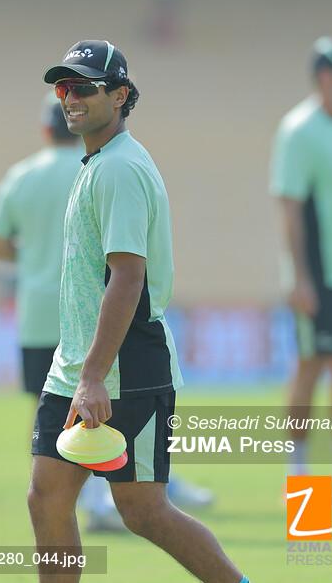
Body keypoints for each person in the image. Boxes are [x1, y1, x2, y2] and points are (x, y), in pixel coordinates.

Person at [29, 39, 249, 583]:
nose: (71, 98)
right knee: (47, 498)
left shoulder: (120, 169)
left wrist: (94, 377)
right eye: (64, 88)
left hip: (124, 368)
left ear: (120, 95)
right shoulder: (100, 162)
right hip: (79, 366)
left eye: (84, 87)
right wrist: (82, 372)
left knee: (144, 511)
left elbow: (128, 278)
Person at [0, 95, 125, 530]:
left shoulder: (22, 176)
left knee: (47, 408)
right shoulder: (94, 168)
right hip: (87, 309)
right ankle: (102, 498)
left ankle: (53, 495)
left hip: (38, 311)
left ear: (45, 130)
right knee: (99, 401)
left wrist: (32, 257)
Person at [270, 36, 332, 501]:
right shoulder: (299, 130)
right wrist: (300, 277)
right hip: (318, 278)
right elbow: (290, 207)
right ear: (327, 77)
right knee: (310, 367)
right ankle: (301, 478)